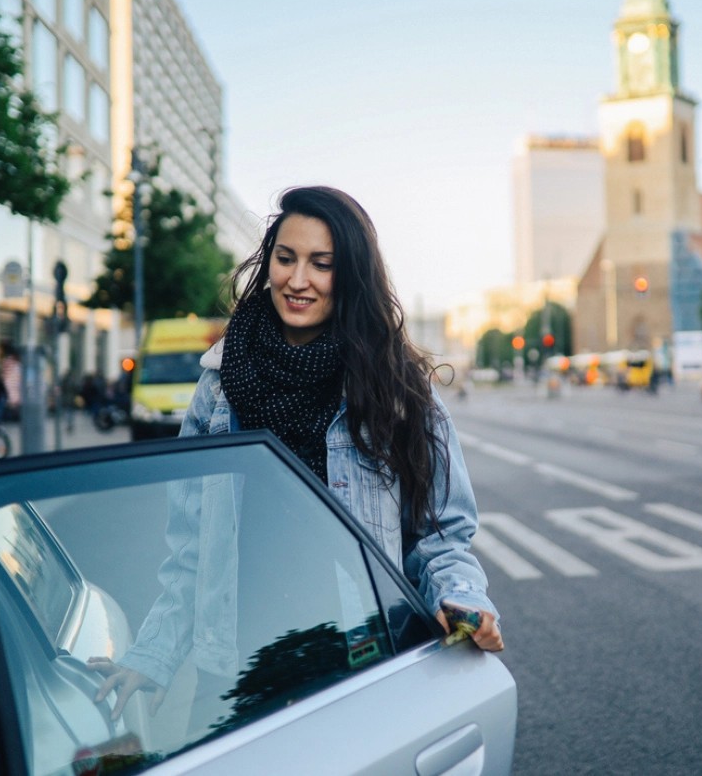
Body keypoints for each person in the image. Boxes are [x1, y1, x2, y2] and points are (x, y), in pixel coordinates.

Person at [88, 186, 503, 721]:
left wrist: (462, 601)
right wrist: (154, 656)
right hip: (234, 668)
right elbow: (191, 548)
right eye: (285, 259)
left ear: (350, 275)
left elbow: (441, 536)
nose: (297, 280)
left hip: (357, 659)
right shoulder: (218, 386)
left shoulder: (396, 386)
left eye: (321, 264)